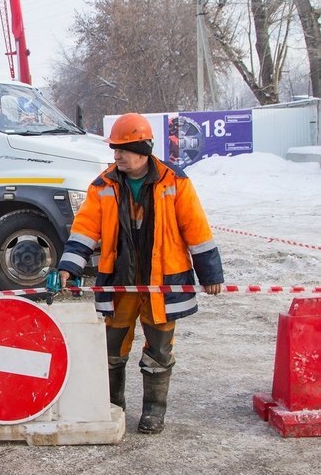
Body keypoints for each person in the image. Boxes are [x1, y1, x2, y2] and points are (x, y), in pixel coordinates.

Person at [57, 112, 223, 435]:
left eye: (123, 149)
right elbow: (85, 230)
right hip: (119, 285)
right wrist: (69, 266)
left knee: (159, 349)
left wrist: (210, 273)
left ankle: (153, 411)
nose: (116, 155)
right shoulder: (103, 185)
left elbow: (196, 228)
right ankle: (113, 406)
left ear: (143, 149)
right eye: (115, 149)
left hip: (161, 285)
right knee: (111, 348)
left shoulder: (174, 181)